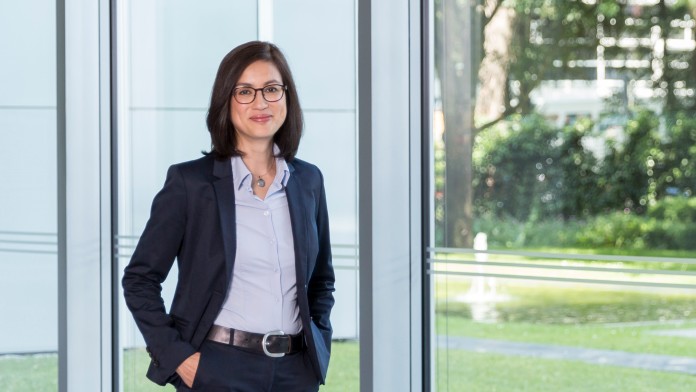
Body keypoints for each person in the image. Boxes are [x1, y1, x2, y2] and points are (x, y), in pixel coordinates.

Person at [122, 41, 335, 391]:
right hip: (219, 369)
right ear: (226, 100)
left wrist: (320, 341)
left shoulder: (308, 181)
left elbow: (322, 280)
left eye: (271, 89)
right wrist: (179, 359)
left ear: (287, 98)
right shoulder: (190, 184)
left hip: (296, 373)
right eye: (245, 92)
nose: (261, 102)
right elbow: (140, 280)